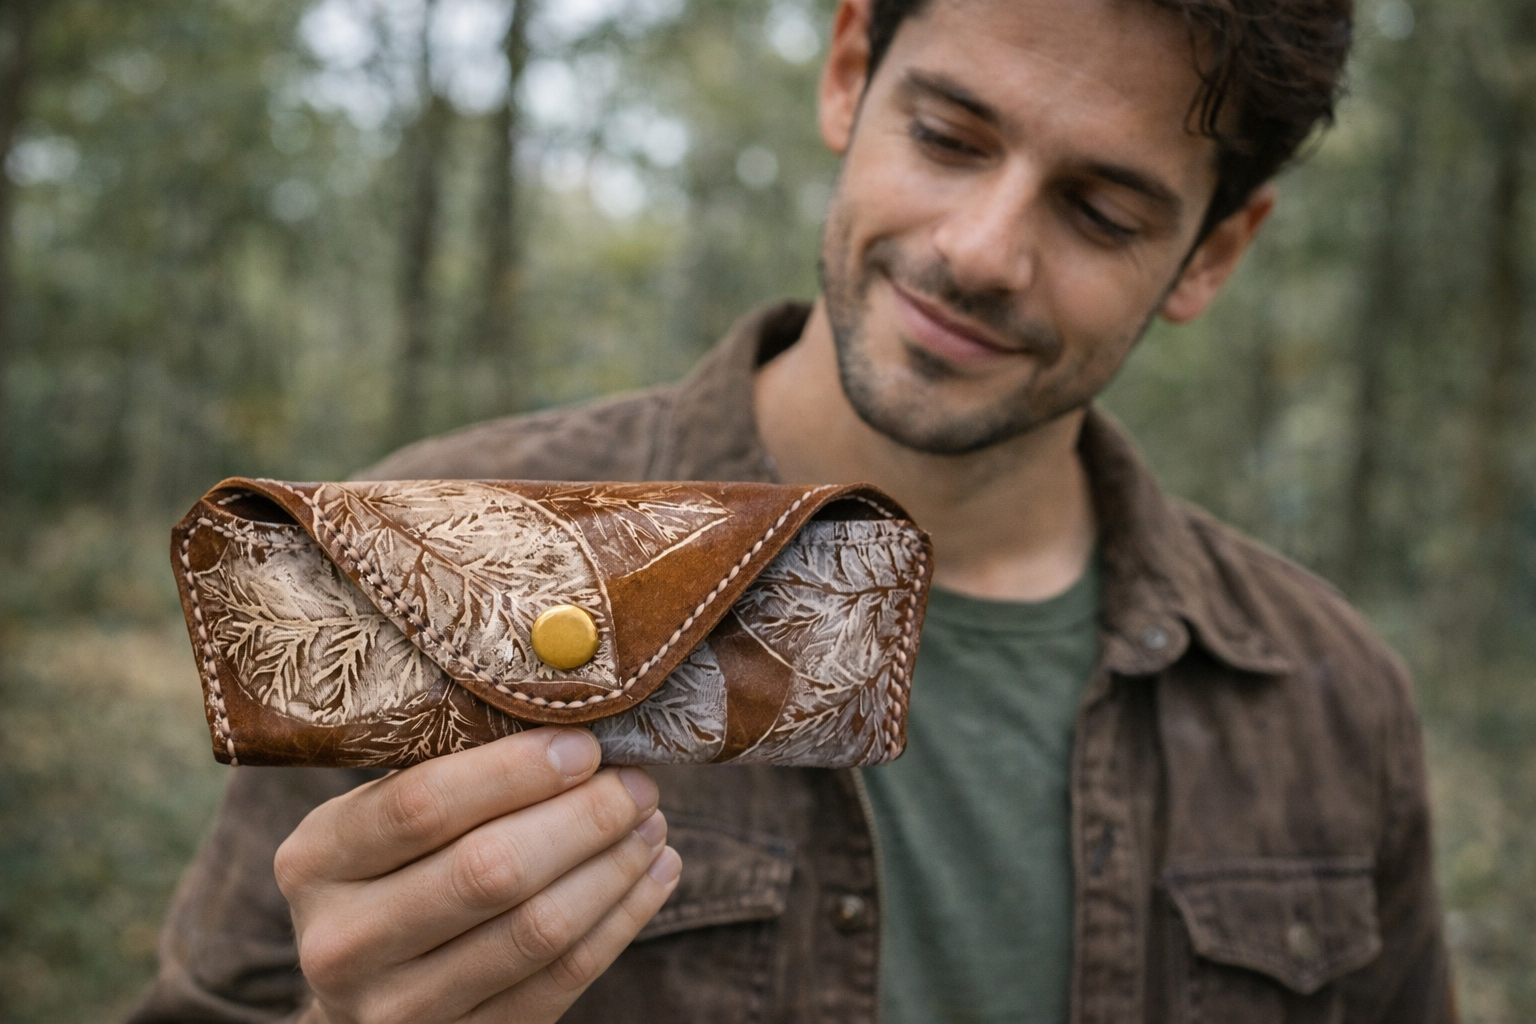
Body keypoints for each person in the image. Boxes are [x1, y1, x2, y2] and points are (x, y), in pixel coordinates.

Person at [128, 0, 1455, 1020]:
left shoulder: (1333, 703)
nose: (981, 249)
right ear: (846, 73)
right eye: (947, 136)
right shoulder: (411, 549)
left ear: (1212, 255)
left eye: (1102, 211)